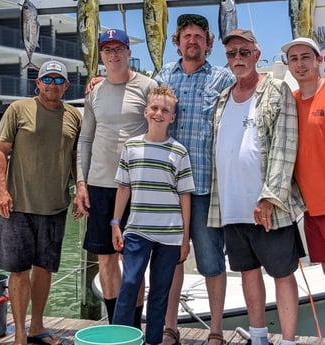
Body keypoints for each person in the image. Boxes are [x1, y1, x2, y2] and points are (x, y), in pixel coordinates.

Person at [207, 29, 305, 345]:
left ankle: (288, 340)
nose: (238, 59)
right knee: (247, 273)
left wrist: (269, 197)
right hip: (232, 206)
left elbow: (285, 147)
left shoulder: (276, 90)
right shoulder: (222, 98)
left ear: (256, 55)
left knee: (282, 274)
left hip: (268, 207)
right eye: (232, 54)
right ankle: (260, 337)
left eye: (244, 52)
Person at [155, 14, 235, 345]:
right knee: (171, 260)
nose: (192, 40)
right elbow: (142, 103)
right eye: (186, 35)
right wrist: (98, 81)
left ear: (208, 43)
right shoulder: (162, 76)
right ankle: (170, 327)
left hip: (205, 188)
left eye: (198, 36)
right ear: (177, 41)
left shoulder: (223, 77)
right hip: (168, 189)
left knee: (212, 262)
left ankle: (216, 330)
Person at [0, 60, 82, 345]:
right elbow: (0, 153)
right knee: (18, 270)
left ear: (66, 85)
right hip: (17, 205)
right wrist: (0, 191)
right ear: (38, 83)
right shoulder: (18, 109)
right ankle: (19, 333)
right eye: (48, 79)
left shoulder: (74, 116)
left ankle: (37, 327)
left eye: (59, 80)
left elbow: (75, 159)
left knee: (45, 269)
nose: (53, 85)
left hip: (55, 206)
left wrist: (80, 191)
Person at [75, 29, 158, 326]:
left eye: (119, 48)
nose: (113, 55)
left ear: (128, 52)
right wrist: (81, 183)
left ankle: (134, 325)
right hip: (99, 186)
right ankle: (115, 326)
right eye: (107, 50)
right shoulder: (94, 91)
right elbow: (85, 139)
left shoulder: (148, 86)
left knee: (134, 263)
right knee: (107, 259)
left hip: (137, 188)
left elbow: (160, 131)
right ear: (101, 55)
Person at [111, 85, 195, 345]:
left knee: (160, 291)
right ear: (146, 111)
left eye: (165, 110)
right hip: (137, 229)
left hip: (170, 235)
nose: (159, 113)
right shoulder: (131, 147)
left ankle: (154, 340)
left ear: (173, 117)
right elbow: (124, 187)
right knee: (130, 284)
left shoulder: (179, 152)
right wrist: (115, 222)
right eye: (155, 108)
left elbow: (185, 196)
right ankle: (119, 339)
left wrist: (185, 238)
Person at [281, 37, 325, 274]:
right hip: (310, 208)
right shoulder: (290, 102)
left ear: (319, 60)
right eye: (294, 59)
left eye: (306, 57)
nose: (300, 64)